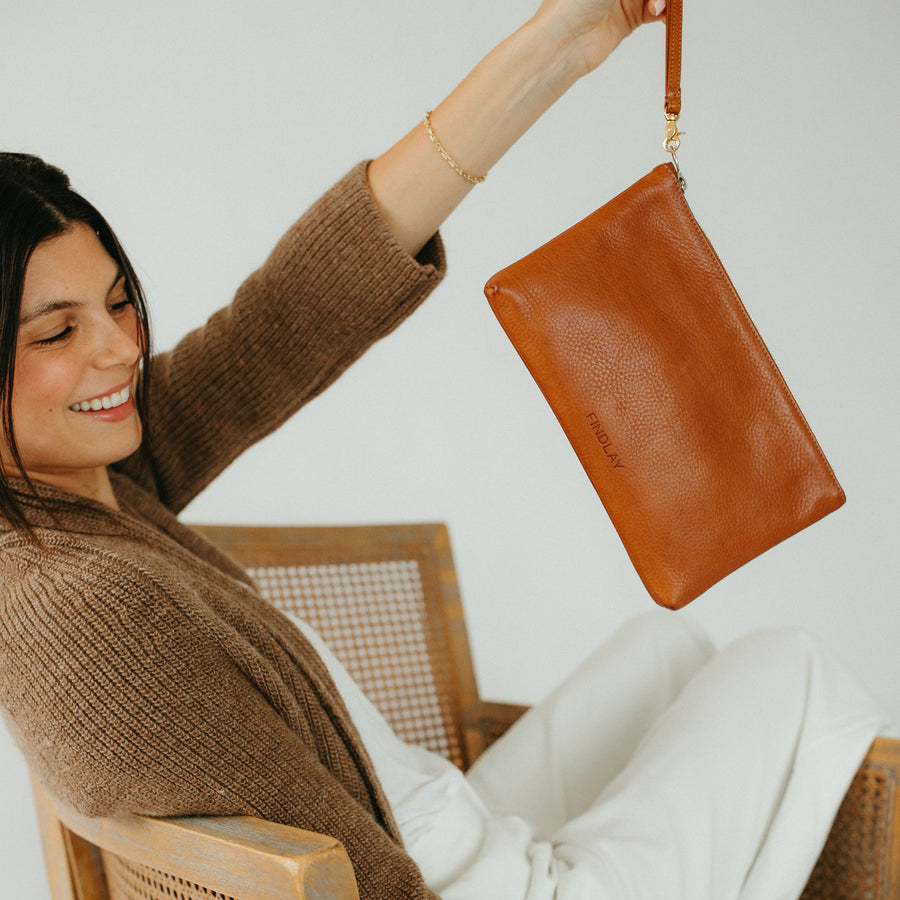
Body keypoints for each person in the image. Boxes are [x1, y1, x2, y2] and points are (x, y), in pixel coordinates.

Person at [0, 1, 889, 898]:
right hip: (443, 878)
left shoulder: (87, 483)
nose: (119, 349)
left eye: (117, 302)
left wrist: (564, 41)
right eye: (54, 335)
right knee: (795, 669)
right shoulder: (73, 613)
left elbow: (289, 316)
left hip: (429, 820)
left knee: (668, 646)